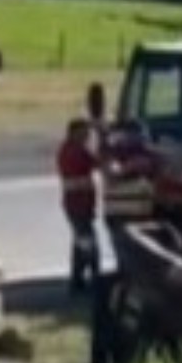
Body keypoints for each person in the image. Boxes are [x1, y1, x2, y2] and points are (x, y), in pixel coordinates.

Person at [55, 117, 100, 294]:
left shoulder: (67, 149)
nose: (87, 135)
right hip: (78, 205)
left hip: (77, 204)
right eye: (84, 132)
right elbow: (96, 162)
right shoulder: (76, 151)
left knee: (80, 243)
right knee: (89, 243)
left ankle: (77, 280)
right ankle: (94, 278)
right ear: (74, 132)